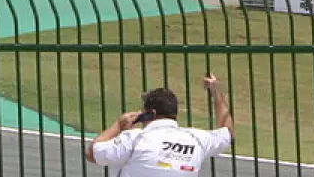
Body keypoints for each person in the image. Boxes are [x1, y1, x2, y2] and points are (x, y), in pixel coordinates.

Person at [86, 74, 232, 176]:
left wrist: (118, 125)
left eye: (142, 110)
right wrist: (216, 91)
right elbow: (228, 132)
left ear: (151, 113)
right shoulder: (197, 138)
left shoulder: (134, 139)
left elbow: (92, 154)